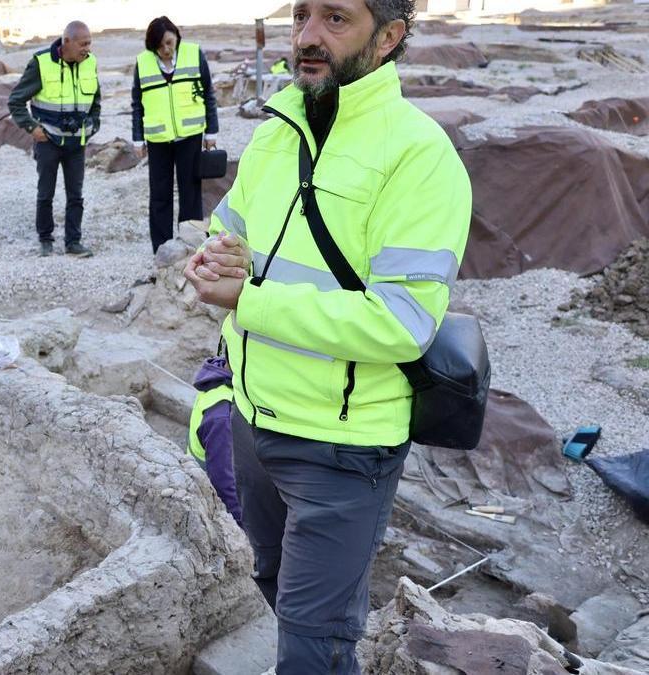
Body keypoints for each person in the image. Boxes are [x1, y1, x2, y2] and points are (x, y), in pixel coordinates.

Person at [182, 0, 471, 671]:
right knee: (271, 580)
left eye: (335, 19)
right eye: (302, 15)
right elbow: (232, 232)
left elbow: (401, 322)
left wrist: (248, 300)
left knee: (314, 645)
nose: (307, 37)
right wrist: (214, 255)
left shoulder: (419, 156)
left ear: (390, 37)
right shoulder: (278, 132)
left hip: (342, 450)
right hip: (254, 422)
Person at [8, 21, 100, 258]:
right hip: (47, 141)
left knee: (76, 195)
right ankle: (45, 240)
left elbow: (96, 101)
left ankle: (73, 242)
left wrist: (93, 125)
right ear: (66, 42)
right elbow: (15, 101)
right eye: (83, 44)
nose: (87, 49)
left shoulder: (90, 63)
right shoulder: (41, 64)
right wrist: (31, 127)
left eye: (89, 43)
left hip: (76, 143)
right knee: (45, 192)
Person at [131, 16, 220, 254]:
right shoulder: (143, 62)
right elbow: (137, 104)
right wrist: (137, 138)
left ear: (177, 36)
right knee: (159, 195)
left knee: (190, 193)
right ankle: (161, 249)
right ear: (152, 47)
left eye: (169, 42)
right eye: (159, 46)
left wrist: (211, 132)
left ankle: (190, 246)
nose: (166, 50)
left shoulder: (194, 54)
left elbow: (208, 94)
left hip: (190, 136)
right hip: (157, 140)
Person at [187, 355, 242, 525]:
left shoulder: (218, 374)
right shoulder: (223, 417)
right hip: (207, 485)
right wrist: (243, 527)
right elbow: (224, 483)